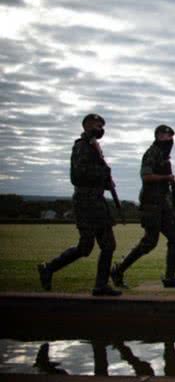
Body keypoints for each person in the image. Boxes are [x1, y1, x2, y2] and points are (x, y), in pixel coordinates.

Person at [38, 113, 121, 296]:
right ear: (86, 126)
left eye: (101, 126)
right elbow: (77, 175)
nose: (99, 130)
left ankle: (101, 285)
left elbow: (95, 174)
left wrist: (107, 182)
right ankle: (49, 268)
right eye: (96, 126)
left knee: (108, 245)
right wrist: (103, 173)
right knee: (85, 247)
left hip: (97, 201)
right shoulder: (82, 146)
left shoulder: (94, 147)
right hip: (85, 202)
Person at [111, 125, 175, 289]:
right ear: (158, 136)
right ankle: (118, 270)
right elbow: (146, 176)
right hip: (151, 203)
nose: (170, 139)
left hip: (162, 203)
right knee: (149, 242)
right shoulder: (152, 153)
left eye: (171, 136)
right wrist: (166, 177)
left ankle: (170, 278)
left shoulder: (164, 155)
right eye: (166, 136)